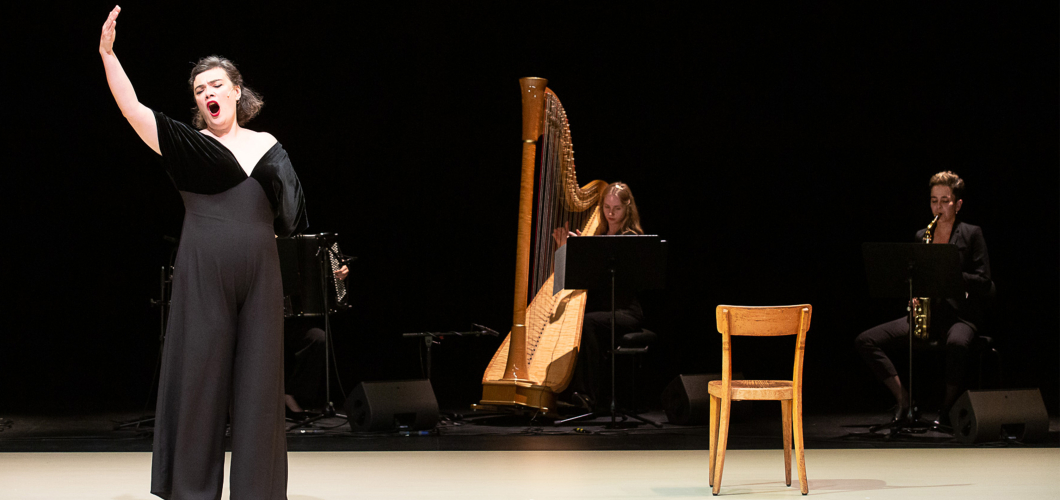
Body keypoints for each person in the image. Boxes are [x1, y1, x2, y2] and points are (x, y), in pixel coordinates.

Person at [100, 6, 306, 499]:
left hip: (261, 274)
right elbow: (133, 110)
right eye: (199, 90)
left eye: (216, 85)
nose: (208, 93)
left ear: (236, 90)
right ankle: (192, 490)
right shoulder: (188, 146)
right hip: (203, 272)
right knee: (199, 381)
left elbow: (293, 216)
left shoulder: (268, 146)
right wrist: (108, 56)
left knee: (260, 389)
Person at [855, 171, 992, 426]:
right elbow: (916, 279)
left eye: (945, 201)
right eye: (933, 200)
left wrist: (951, 274)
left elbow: (984, 281)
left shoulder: (972, 233)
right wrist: (914, 296)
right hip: (928, 316)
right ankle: (904, 400)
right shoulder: (923, 235)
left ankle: (946, 409)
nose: (938, 207)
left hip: (960, 315)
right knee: (866, 340)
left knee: (958, 344)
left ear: (958, 204)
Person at [552, 182, 646, 409]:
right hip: (603, 310)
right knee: (573, 321)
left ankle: (588, 396)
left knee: (588, 323)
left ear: (627, 209)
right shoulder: (598, 236)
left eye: (617, 208)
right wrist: (567, 248)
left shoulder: (631, 239)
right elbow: (566, 280)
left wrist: (587, 250)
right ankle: (565, 391)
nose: (611, 213)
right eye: (606, 207)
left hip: (626, 312)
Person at [283, 265, 348, 418]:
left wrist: (340, 273)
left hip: (296, 318)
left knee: (318, 338)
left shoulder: (319, 249)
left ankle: (291, 394)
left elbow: (338, 266)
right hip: (264, 315)